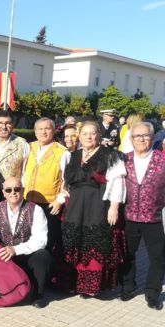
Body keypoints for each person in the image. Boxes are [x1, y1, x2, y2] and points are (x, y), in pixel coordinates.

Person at [61, 121, 126, 297]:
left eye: (93, 133)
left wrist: (114, 207)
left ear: (99, 135)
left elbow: (117, 183)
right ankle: (73, 283)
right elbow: (66, 183)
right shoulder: (73, 155)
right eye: (85, 133)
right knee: (75, 240)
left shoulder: (110, 155)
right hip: (75, 205)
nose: (89, 137)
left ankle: (89, 287)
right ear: (79, 136)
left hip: (97, 203)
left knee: (93, 242)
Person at [0, 177, 52, 308]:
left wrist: (15, 250)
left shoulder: (36, 210)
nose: (13, 192)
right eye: (8, 190)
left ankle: (38, 294)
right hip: (5, 257)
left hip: (26, 255)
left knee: (43, 256)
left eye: (17, 189)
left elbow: (40, 240)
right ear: (3, 192)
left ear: (23, 190)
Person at [119, 122, 165, 310]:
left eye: (146, 135)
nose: (141, 139)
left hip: (155, 218)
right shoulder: (123, 160)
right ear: (131, 139)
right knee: (127, 255)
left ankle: (152, 292)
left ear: (153, 137)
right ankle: (128, 286)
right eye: (137, 136)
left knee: (157, 257)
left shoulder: (162, 160)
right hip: (128, 216)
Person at [22, 118, 70, 254]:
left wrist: (59, 200)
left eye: (47, 128)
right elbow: (22, 172)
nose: (43, 132)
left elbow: (67, 180)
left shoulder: (62, 152)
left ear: (54, 131)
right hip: (27, 201)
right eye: (40, 129)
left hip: (49, 204)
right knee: (26, 237)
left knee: (47, 240)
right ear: (35, 132)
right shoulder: (28, 147)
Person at [0, 109, 30, 207]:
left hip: (13, 193)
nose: (3, 127)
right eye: (0, 123)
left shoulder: (22, 144)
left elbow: (25, 171)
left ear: (12, 125)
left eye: (7, 123)